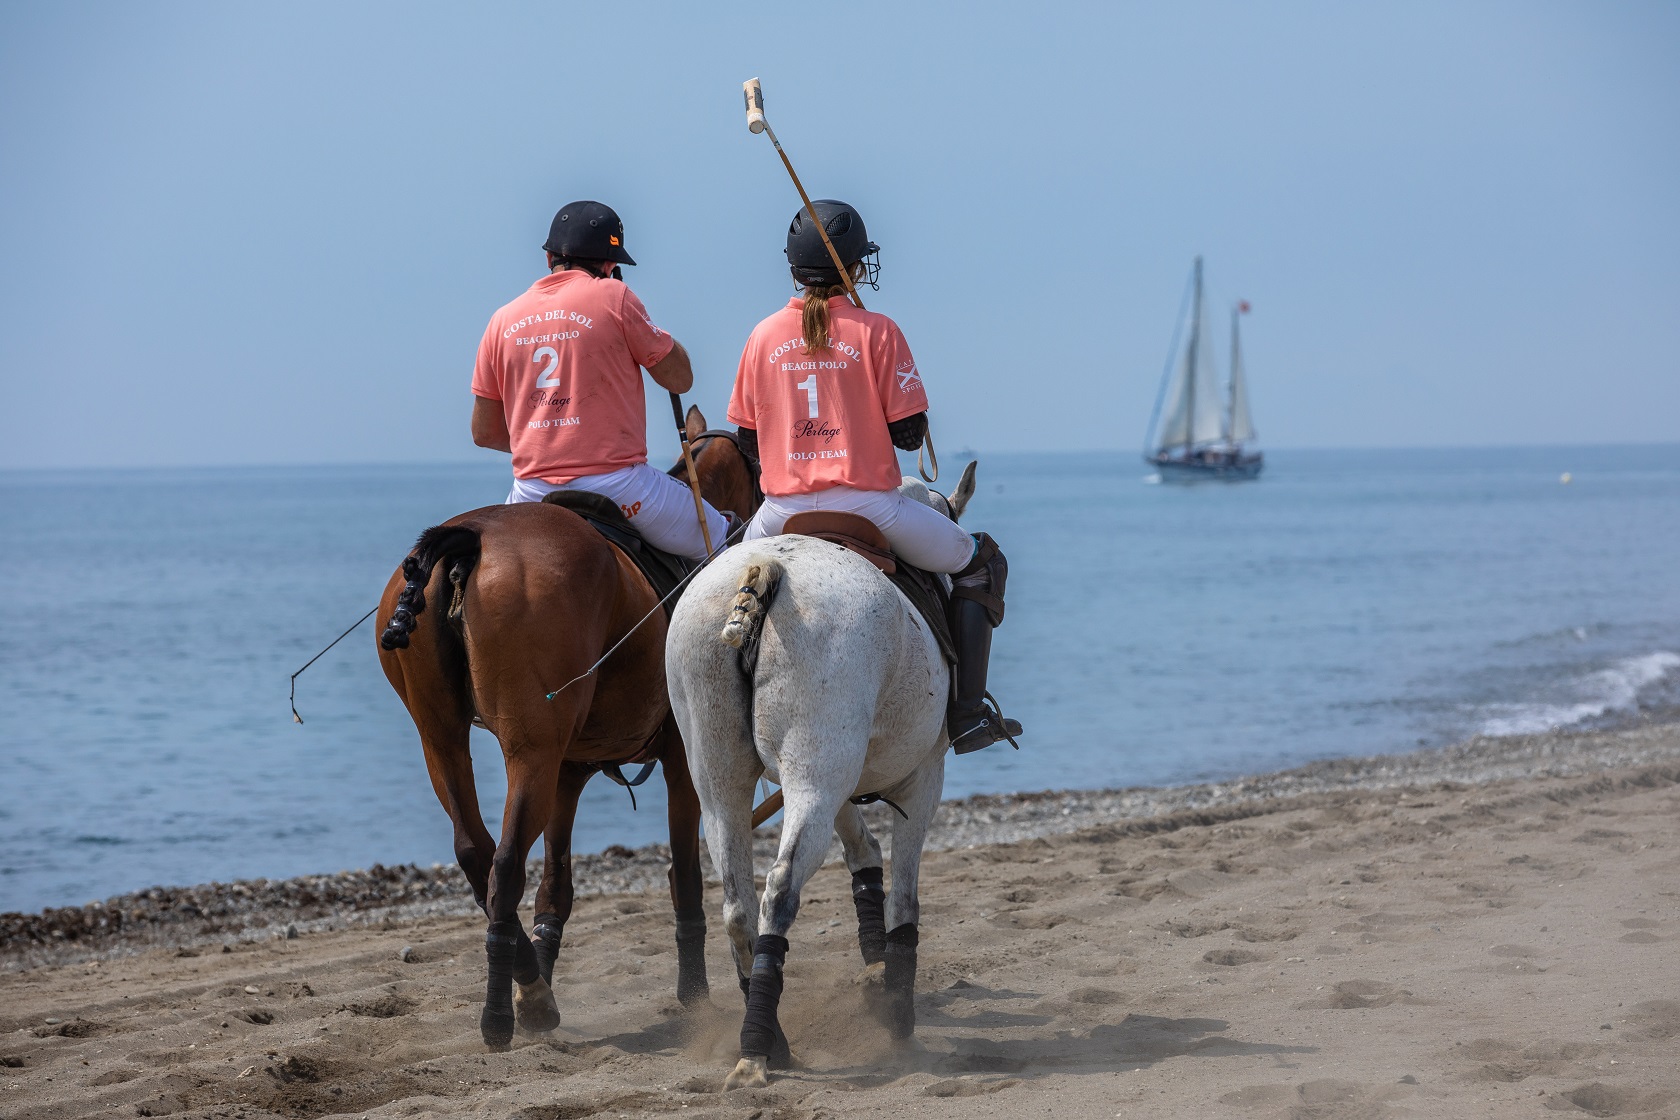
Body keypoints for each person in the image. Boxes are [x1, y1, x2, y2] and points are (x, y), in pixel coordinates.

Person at [727, 200, 1022, 754]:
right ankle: (966, 716)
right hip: (871, 508)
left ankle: (715, 722)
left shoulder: (761, 336)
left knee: (721, 589)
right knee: (982, 564)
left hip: (780, 514)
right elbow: (910, 435)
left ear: (794, 266)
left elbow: (747, 441)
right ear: (851, 268)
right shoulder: (878, 330)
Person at [470, 200, 727, 561]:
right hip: (619, 488)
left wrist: (551, 441)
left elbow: (485, 432)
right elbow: (681, 379)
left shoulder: (501, 319)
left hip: (530, 493)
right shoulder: (615, 296)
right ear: (610, 264)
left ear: (549, 259)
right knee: (725, 542)